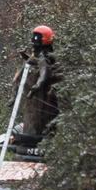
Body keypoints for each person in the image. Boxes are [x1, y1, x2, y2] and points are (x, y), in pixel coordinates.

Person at [12, 25, 61, 158]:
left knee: (42, 118)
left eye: (37, 37)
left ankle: (43, 140)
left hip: (44, 101)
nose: (34, 40)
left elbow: (44, 68)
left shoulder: (46, 57)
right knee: (18, 77)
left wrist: (38, 84)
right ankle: (13, 96)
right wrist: (25, 56)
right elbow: (32, 61)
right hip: (34, 100)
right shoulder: (37, 55)